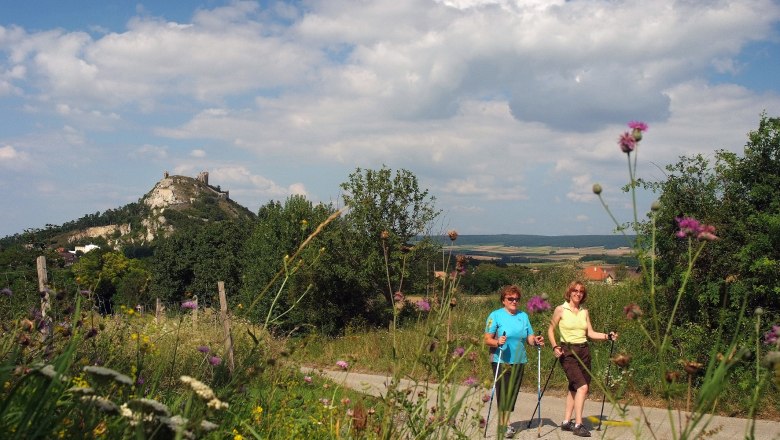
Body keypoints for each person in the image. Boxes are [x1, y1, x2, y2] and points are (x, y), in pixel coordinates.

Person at [547, 281, 618, 437]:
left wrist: (607, 336)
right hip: (568, 352)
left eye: (581, 291)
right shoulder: (560, 309)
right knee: (583, 388)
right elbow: (551, 330)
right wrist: (554, 347)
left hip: (584, 351)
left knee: (575, 387)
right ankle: (578, 424)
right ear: (570, 292)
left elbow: (590, 333)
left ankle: (566, 422)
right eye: (575, 290)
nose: (578, 293)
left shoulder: (584, 311)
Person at [484, 285, 545, 438]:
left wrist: (536, 341)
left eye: (517, 299)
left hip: (519, 360)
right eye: (510, 299)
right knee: (503, 392)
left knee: (512, 393)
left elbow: (529, 337)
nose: (514, 301)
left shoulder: (523, 316)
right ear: (503, 300)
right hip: (501, 359)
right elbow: (487, 339)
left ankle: (505, 423)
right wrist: (498, 342)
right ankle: (504, 425)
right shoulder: (495, 315)